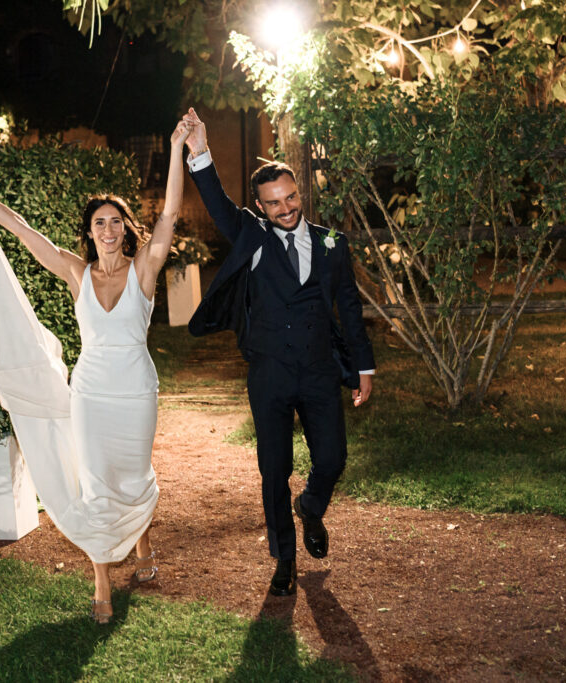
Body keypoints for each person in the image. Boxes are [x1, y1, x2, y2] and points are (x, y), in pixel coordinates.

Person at [0, 119, 191, 623]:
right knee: (96, 484)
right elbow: (23, 231)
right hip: (90, 395)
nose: (108, 229)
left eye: (116, 221)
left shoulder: (144, 269)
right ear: (89, 232)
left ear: (126, 228)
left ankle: (141, 541)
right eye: (99, 223)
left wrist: (176, 148)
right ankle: (102, 579)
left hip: (135, 393)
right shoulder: (75, 272)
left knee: (132, 476)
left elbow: (170, 213)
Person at [181, 107, 375, 597]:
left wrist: (364, 367)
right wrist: (200, 151)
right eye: (273, 203)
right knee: (274, 469)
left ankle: (310, 506)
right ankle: (284, 558)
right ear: (260, 206)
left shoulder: (332, 244)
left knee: (332, 458)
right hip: (269, 372)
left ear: (299, 193)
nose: (285, 209)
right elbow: (218, 203)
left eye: (290, 198)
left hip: (319, 370)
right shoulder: (251, 236)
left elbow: (350, 310)